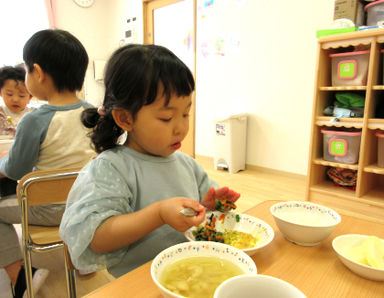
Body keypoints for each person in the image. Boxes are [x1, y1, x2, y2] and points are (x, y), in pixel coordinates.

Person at [59, 44, 240, 278]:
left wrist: (209, 204)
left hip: (191, 272)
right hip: (137, 282)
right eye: (166, 118)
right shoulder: (112, 168)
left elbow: (201, 211)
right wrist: (158, 214)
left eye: (186, 114)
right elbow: (96, 238)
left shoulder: (186, 164)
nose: (181, 128)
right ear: (125, 118)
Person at [0, 29, 95, 298]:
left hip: (47, 210)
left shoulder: (35, 120)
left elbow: (16, 169)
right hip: (86, 205)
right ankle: (83, 261)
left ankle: (18, 274)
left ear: (38, 73)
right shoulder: (91, 112)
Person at [0, 65, 33, 137]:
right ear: (1, 93)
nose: (15, 100)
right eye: (9, 94)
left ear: (30, 97)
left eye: (21, 96)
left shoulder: (33, 115)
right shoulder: (1, 114)